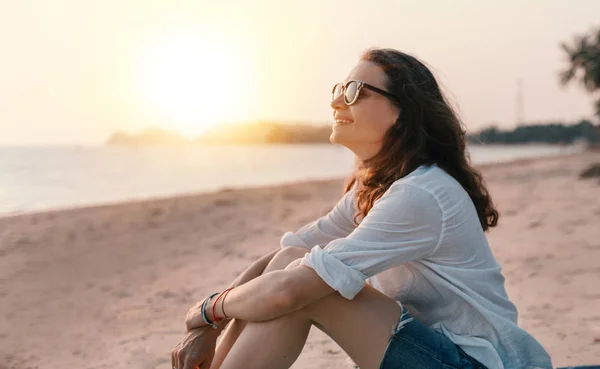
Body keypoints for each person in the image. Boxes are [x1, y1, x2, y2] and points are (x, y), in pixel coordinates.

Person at [171, 48, 553, 369]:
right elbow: (283, 255)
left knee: (308, 287)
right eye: (339, 88)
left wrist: (203, 312)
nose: (337, 100)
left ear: (402, 112)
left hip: (473, 363)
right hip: (429, 353)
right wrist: (209, 326)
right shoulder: (378, 188)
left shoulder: (421, 194)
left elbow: (288, 292)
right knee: (295, 262)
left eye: (355, 91)